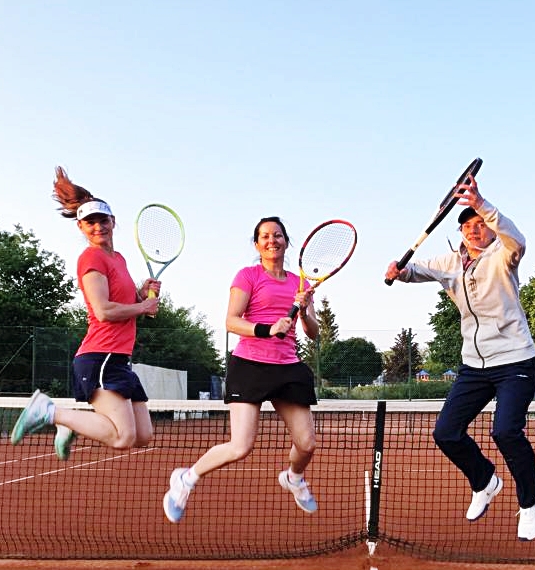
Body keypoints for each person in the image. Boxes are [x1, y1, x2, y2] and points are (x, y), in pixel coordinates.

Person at [385, 175, 535, 540]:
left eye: (480, 224)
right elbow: (415, 270)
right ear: (460, 233)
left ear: (489, 229)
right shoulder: (449, 262)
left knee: (505, 430)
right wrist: (399, 271)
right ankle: (485, 480)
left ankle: (530, 503)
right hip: (474, 365)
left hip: (516, 361)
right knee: (445, 432)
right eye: (467, 225)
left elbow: (517, 240)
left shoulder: (504, 255)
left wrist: (484, 204)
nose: (474, 230)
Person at [163, 216, 320, 523]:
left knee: (307, 443)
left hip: (287, 366)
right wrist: (267, 328)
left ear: (287, 242)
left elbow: (313, 332)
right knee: (240, 446)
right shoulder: (247, 275)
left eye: (277, 235)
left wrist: (303, 312)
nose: (271, 240)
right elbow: (231, 320)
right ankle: (186, 479)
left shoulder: (300, 284)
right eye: (264, 236)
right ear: (256, 244)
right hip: (249, 364)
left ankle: (294, 478)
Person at [11, 166, 161, 458]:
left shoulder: (117, 258)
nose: (98, 227)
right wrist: (142, 306)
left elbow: (124, 302)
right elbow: (104, 311)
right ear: (81, 227)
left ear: (113, 222)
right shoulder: (90, 258)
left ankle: (69, 423)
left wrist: (142, 294)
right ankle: (50, 411)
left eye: (102, 220)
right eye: (89, 223)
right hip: (100, 356)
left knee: (143, 436)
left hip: (120, 358)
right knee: (122, 438)